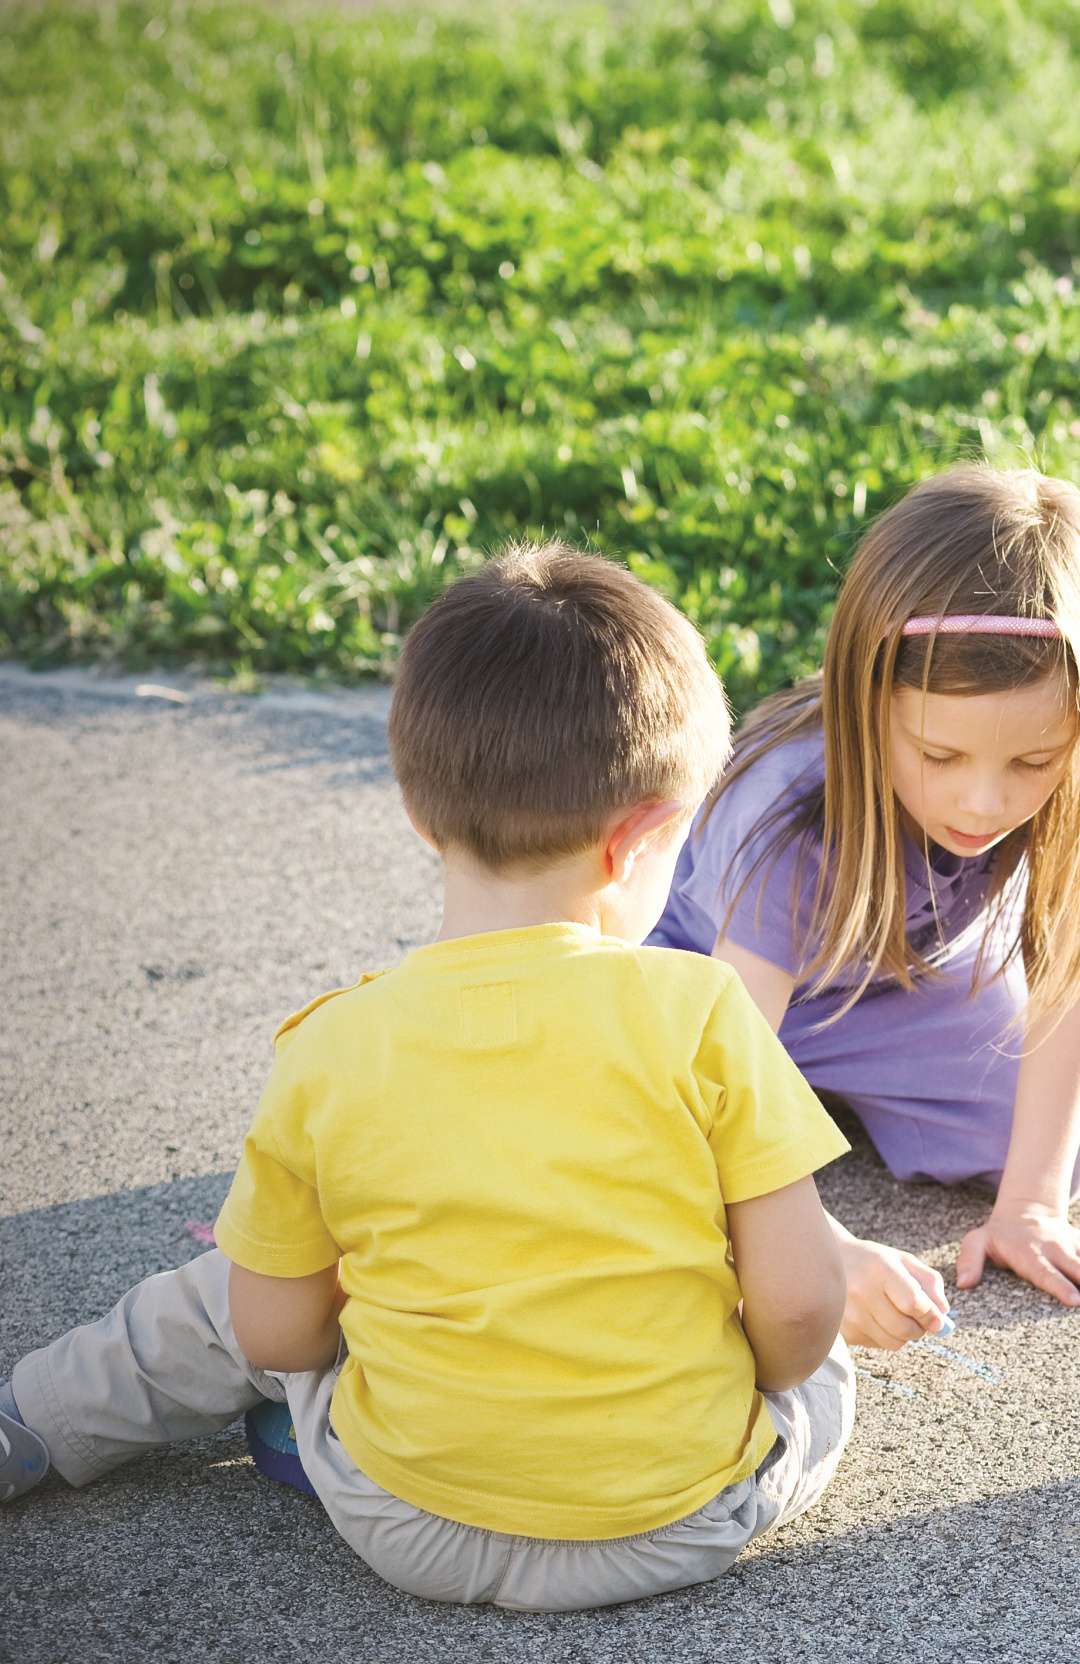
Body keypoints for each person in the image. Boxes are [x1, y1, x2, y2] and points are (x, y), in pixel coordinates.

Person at [0, 546, 947, 1607]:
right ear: (640, 840)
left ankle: (32, 1422)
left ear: (417, 809)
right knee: (810, 1356)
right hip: (676, 1523)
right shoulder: (703, 1011)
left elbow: (275, 1335)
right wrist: (747, 1367)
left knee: (237, 1290)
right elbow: (802, 1303)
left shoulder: (330, 1044)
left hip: (405, 1519)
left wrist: (350, 1324)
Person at [649, 464, 1080, 1310]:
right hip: (712, 987)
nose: (982, 802)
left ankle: (814, 1108)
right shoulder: (789, 811)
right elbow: (729, 1055)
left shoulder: (1061, 775)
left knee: (1066, 1136)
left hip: (883, 986)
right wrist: (821, 1247)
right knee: (650, 1151)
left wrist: (1032, 1207)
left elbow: (1074, 953)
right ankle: (789, 1120)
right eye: (939, 756)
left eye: (1031, 762)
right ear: (864, 700)